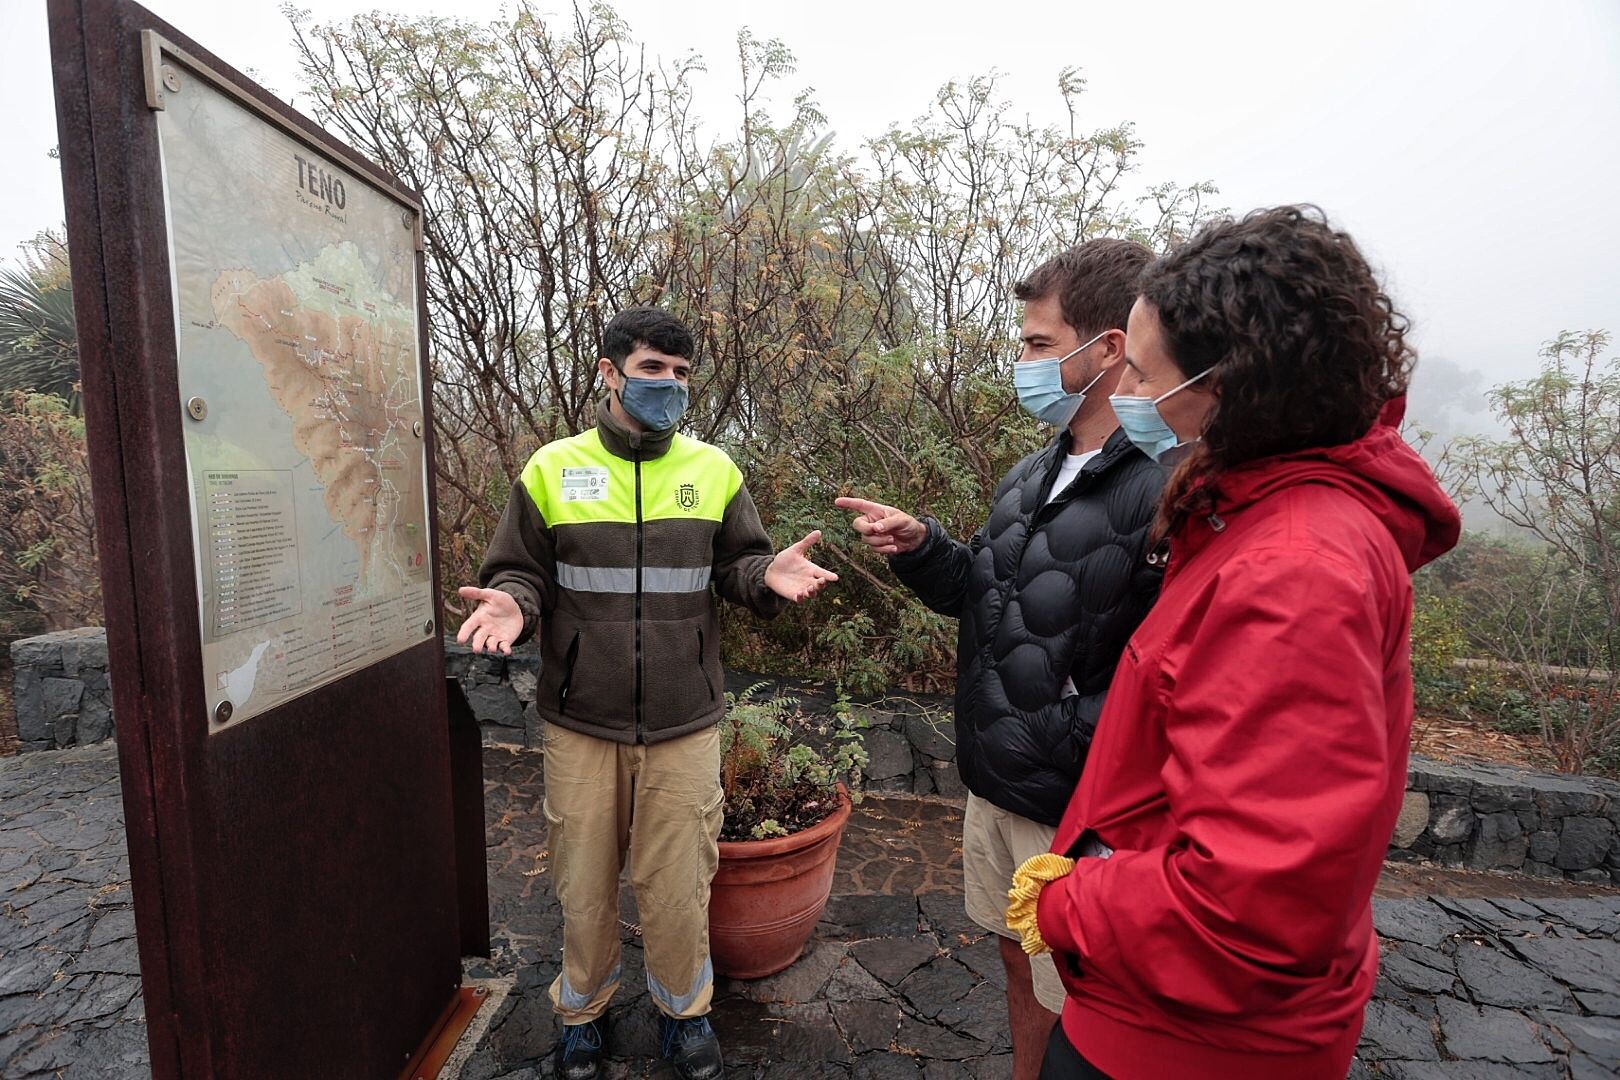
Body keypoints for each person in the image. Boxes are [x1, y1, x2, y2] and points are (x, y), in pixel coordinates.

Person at [1004, 206, 1462, 1079]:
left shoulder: (1294, 572)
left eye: (1142, 374)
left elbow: (1255, 906)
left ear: (1231, 382)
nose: (1126, 395)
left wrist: (1072, 903)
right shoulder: (1253, 514)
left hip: (1185, 1040)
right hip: (1159, 1003)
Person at [456, 306, 837, 1080]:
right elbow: (519, 572)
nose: (668, 384)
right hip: (581, 723)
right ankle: (582, 1014)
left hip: (682, 724)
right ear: (609, 370)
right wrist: (513, 605)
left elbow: (738, 565)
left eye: (681, 373)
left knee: (677, 887)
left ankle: (683, 1015)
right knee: (583, 884)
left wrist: (764, 577)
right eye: (653, 368)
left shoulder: (713, 471)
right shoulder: (551, 470)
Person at [836, 239, 1167, 1080]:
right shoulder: (1031, 473)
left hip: (1072, 810)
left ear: (1108, 350)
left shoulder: (1167, 487)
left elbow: (1171, 675)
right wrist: (920, 545)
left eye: (1037, 344)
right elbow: (984, 598)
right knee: (1019, 963)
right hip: (994, 788)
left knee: (1087, 1004)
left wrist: (1061, 735)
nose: (1018, 362)